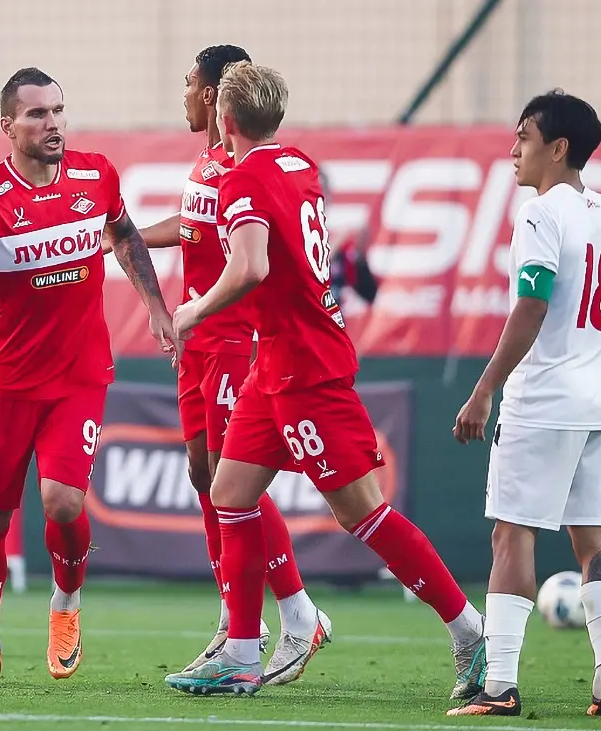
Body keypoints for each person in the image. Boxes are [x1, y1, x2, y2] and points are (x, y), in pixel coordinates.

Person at [163, 62, 486, 699]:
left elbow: (251, 266)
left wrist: (195, 309)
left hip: (306, 369)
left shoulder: (241, 178)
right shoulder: (299, 164)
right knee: (230, 493)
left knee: (362, 512)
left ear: (225, 118)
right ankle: (243, 652)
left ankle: (471, 632)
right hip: (274, 362)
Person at [0, 67, 176, 686]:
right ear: (8, 125)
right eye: (37, 114)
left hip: (78, 375)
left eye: (58, 111)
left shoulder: (96, 175)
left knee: (63, 500)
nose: (53, 124)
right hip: (6, 380)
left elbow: (124, 235)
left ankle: (66, 603)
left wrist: (155, 307)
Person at [116, 44, 331, 685]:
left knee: (232, 482)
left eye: (189, 82)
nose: (182, 93)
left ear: (212, 95)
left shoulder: (243, 168)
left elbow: (248, 259)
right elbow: (192, 227)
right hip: (197, 345)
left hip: (234, 341)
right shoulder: (210, 162)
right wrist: (123, 236)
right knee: (203, 475)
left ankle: (293, 613)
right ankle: (237, 619)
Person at [451, 90, 601, 718]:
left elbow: (532, 306)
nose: (513, 148)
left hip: (545, 397)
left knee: (512, 534)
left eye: (524, 136)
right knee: (596, 543)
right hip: (599, 398)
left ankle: (499, 686)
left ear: (558, 148)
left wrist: (484, 389)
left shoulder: (539, 214)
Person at [321, 170, 379, 310]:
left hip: (332, 322)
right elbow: (306, 276)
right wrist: (334, 245)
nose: (319, 197)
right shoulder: (291, 239)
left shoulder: (342, 250)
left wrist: (360, 257)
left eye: (323, 191)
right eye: (313, 191)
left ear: (329, 197)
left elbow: (369, 294)